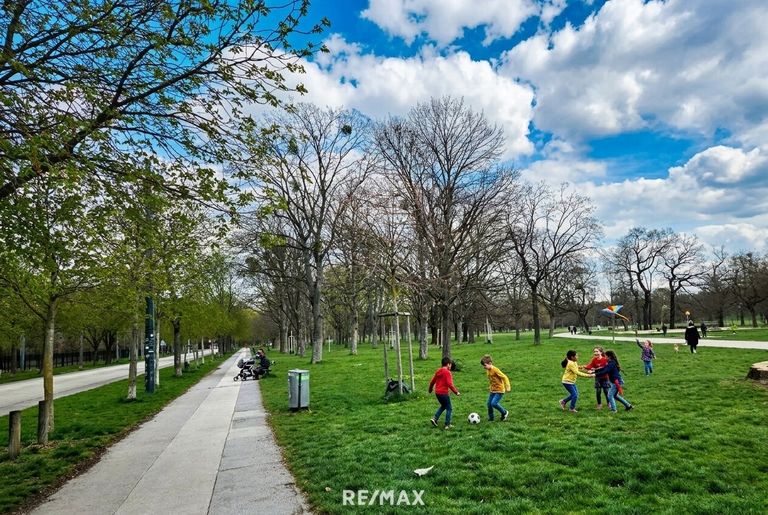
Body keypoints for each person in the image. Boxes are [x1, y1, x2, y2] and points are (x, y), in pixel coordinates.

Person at [429, 357, 461, 429]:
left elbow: (432, 381)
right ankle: (447, 424)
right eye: (450, 364)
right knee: (449, 408)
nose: (451, 366)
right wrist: (456, 392)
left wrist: (430, 389)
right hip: (443, 393)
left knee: (443, 406)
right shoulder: (447, 372)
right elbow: (449, 384)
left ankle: (435, 419)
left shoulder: (438, 371)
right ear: (448, 364)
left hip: (437, 393)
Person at [480, 355, 511, 421]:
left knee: (494, 403)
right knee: (489, 404)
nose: (484, 367)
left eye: (485, 365)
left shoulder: (495, 370)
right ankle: (491, 419)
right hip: (493, 390)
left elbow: (504, 377)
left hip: (499, 390)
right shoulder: (488, 370)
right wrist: (490, 386)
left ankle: (504, 412)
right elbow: (492, 379)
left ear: (490, 363)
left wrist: (507, 386)